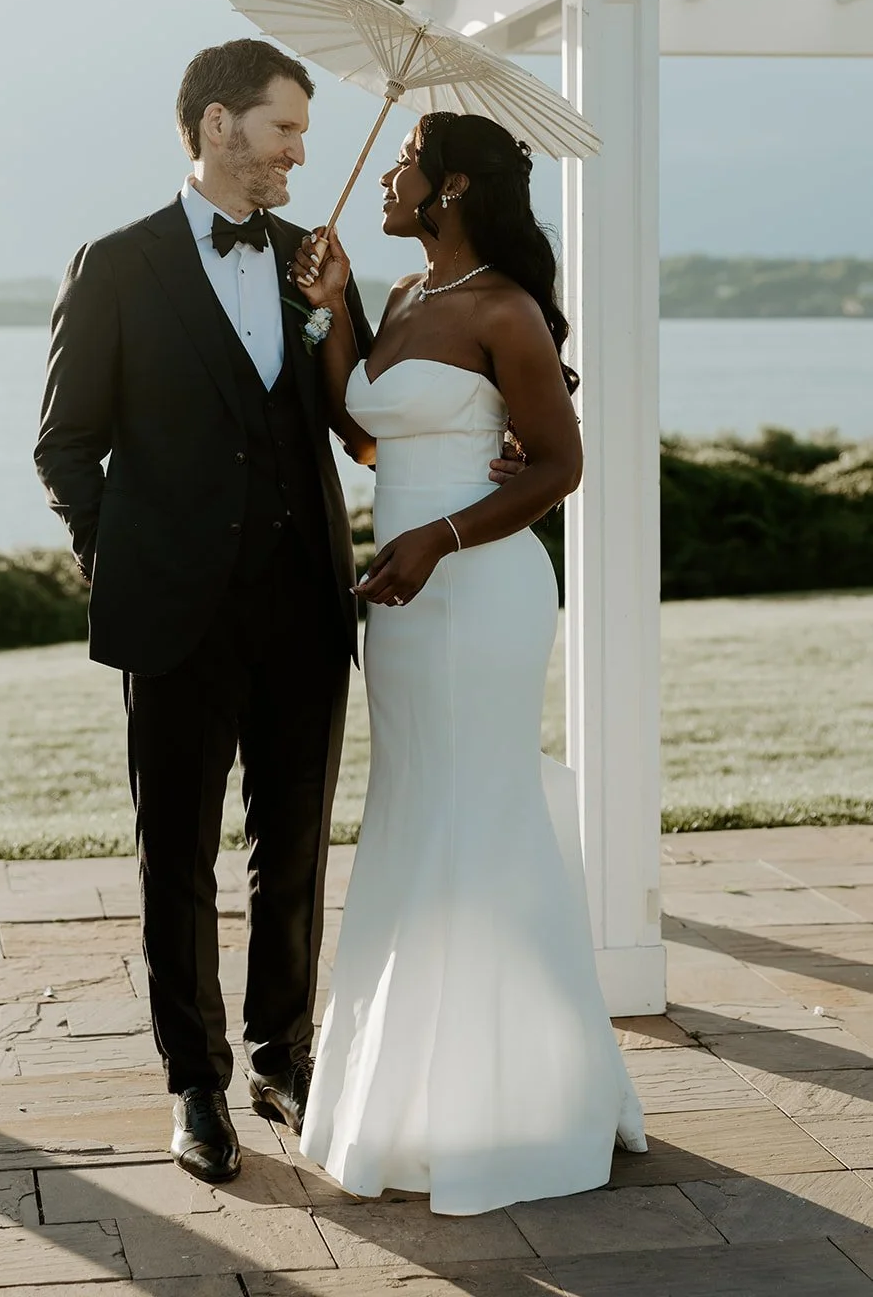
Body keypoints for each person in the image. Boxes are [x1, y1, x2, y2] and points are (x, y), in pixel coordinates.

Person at [34, 43, 521, 1186]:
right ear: (218, 125)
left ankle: (281, 1056)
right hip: (174, 614)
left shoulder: (317, 261)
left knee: (292, 848)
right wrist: (123, 561)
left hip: (307, 601)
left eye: (304, 133)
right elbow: (64, 445)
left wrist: (485, 438)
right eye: (284, 128)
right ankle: (194, 1083)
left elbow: (364, 417)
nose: (302, 150)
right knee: (176, 854)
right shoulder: (115, 264)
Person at [292, 111, 647, 1216]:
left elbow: (557, 466)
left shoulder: (504, 309)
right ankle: (411, 1092)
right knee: (412, 814)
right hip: (401, 599)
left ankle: (519, 1092)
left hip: (477, 586)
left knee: (475, 815)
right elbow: (368, 434)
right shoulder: (405, 297)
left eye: (401, 166)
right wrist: (335, 306)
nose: (384, 180)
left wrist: (437, 540)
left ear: (447, 188)